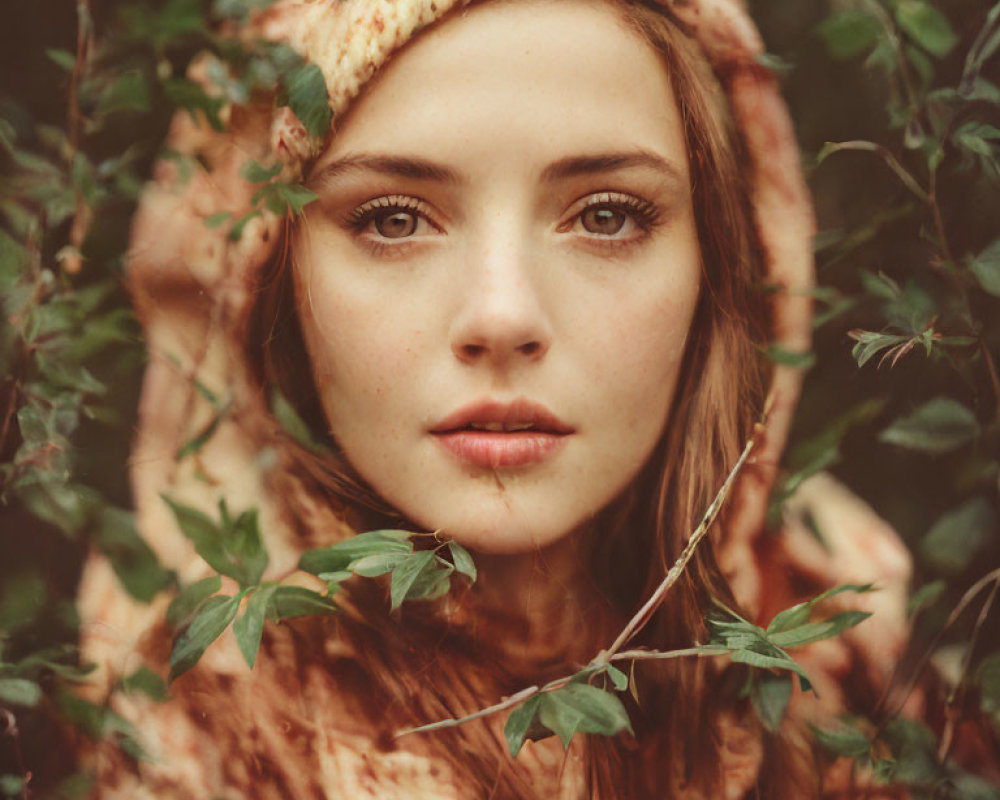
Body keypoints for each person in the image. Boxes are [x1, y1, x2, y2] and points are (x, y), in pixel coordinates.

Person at [75, 0, 913, 797]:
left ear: (724, 266)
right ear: (266, 281)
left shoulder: (859, 665)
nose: (503, 316)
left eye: (609, 216)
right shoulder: (178, 738)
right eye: (394, 219)